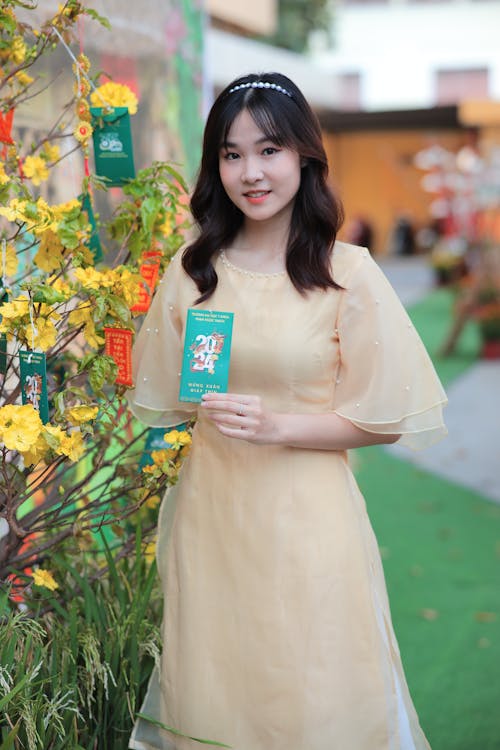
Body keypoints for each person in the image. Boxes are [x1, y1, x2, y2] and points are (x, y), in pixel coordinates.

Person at [127, 72, 447, 750]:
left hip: (309, 518)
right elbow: (173, 395)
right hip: (210, 515)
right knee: (213, 694)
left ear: (304, 155)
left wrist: (281, 426)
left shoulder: (346, 272)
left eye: (269, 150)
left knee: (317, 691)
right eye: (232, 153)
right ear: (215, 164)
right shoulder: (195, 272)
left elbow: (385, 418)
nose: (251, 172)